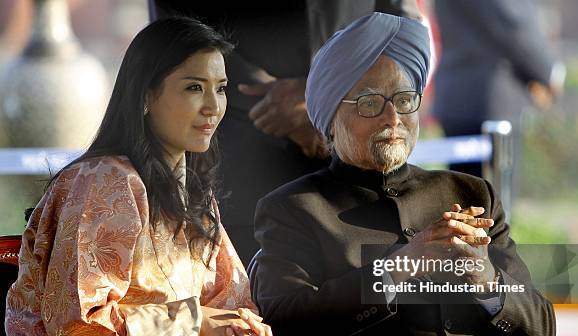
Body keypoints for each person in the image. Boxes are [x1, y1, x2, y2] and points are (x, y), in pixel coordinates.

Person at [252, 13, 555, 336]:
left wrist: (487, 280)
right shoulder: (295, 209)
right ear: (330, 118)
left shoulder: (469, 192)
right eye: (370, 102)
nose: (392, 118)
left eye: (405, 100)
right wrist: (395, 269)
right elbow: (283, 330)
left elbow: (541, 331)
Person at [2, 17, 272, 336]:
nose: (213, 107)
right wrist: (196, 326)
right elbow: (78, 326)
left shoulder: (192, 197)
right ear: (145, 95)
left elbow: (228, 303)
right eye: (194, 87)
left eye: (221, 88)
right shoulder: (102, 182)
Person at [148, 0, 424, 267]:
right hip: (242, 156)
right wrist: (277, 103)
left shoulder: (455, 190)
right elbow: (177, 24)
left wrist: (322, 102)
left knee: (378, 291)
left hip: (361, 161)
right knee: (246, 299)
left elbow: (405, 28)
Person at [433, 0, 564, 181]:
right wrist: (549, 73)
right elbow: (512, 24)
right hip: (491, 100)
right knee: (494, 199)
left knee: (463, 199)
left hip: (458, 94)